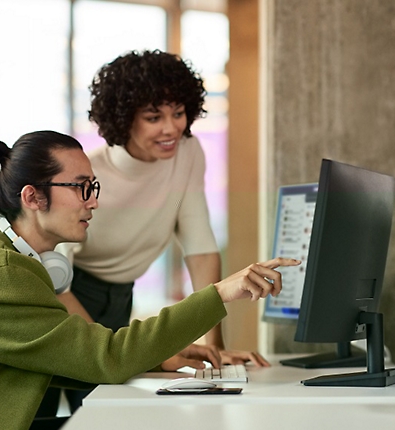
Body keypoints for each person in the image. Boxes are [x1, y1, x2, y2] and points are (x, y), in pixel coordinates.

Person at [0, 130, 298, 430]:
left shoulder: (9, 259)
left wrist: (159, 357)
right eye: (81, 188)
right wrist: (219, 293)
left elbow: (77, 360)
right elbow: (107, 359)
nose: (94, 201)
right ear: (33, 198)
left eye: (92, 187)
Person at [56, 50, 265, 370]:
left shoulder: (188, 151)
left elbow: (201, 248)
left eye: (178, 113)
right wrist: (116, 354)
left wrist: (215, 347)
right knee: (63, 403)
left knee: (112, 406)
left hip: (122, 296)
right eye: (154, 118)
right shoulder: (89, 172)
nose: (171, 129)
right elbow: (56, 281)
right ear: (125, 118)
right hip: (64, 293)